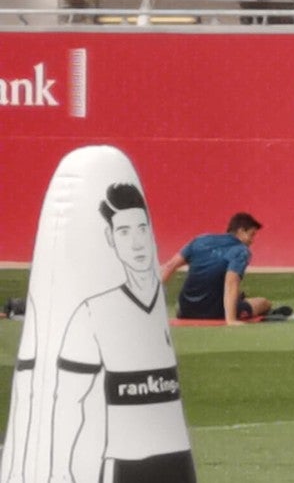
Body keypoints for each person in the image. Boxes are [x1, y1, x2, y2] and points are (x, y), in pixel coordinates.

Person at [52, 183, 195, 482]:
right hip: (127, 462)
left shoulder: (158, 308)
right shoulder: (92, 313)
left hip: (179, 458)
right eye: (124, 232)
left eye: (142, 229)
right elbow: (67, 403)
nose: (137, 242)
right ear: (110, 238)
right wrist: (66, 471)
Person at [159, 212, 285, 326]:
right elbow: (231, 282)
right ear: (241, 231)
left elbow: (169, 266)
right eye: (251, 235)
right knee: (263, 303)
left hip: (185, 310)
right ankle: (241, 308)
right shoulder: (241, 250)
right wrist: (231, 320)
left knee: (238, 295)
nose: (252, 241)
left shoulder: (200, 240)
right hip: (214, 312)